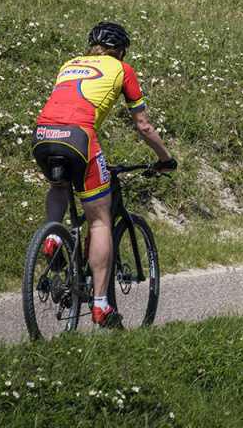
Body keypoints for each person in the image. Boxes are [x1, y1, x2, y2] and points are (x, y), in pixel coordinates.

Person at [33, 22, 176, 327]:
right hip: (79, 138)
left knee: (59, 186)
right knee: (99, 219)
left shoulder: (69, 65)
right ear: (121, 50)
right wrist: (165, 159)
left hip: (43, 135)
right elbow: (143, 125)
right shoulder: (123, 69)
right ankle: (100, 305)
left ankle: (53, 236)